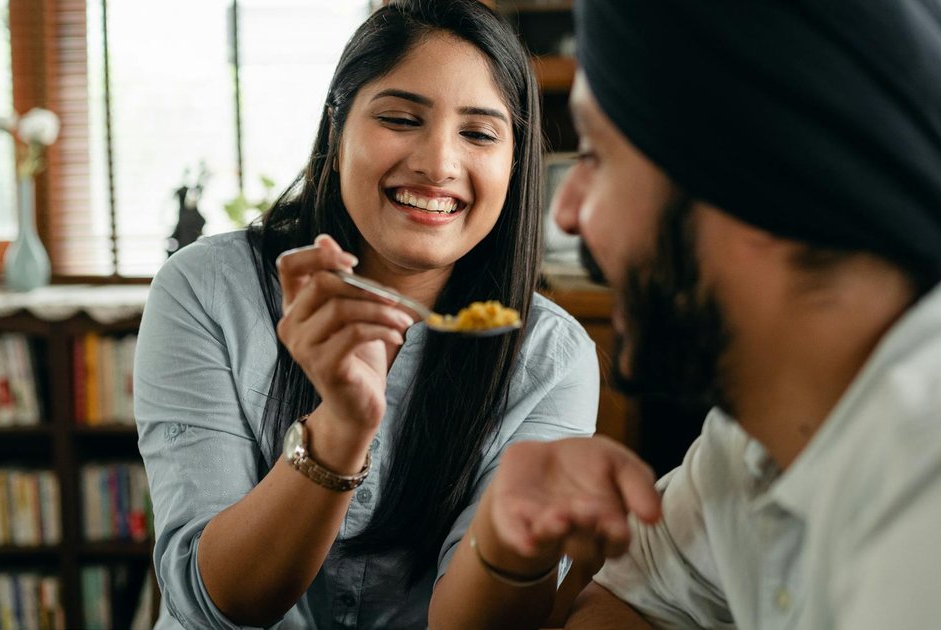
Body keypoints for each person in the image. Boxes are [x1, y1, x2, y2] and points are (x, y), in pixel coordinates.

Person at [467, 0, 941, 628]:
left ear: (751, 179)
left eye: (597, 158)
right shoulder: (759, 433)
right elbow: (627, 604)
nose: (568, 213)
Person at [134, 1, 600, 628]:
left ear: (515, 162)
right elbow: (218, 603)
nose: (438, 164)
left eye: (480, 133)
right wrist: (342, 428)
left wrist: (531, 544)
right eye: (402, 118)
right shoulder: (205, 291)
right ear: (338, 128)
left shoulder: (551, 355)